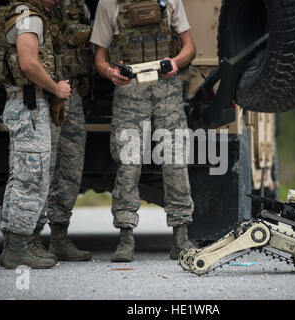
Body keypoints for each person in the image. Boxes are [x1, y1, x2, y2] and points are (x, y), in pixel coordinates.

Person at [91, 0, 196, 262]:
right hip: (130, 91)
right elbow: (99, 58)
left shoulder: (169, 1)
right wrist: (111, 72)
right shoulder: (109, 4)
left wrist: (176, 62)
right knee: (128, 162)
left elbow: (189, 48)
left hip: (166, 89)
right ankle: (126, 237)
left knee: (176, 160)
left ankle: (181, 236)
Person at [0, 0, 71, 269]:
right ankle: (17, 247)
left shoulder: (13, 12)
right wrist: (55, 87)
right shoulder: (30, 17)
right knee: (30, 177)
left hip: (22, 102)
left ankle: (17, 242)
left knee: (22, 175)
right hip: (29, 104)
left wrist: (7, 67)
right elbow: (28, 64)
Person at [31, 0, 93, 262]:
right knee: (43, 165)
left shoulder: (79, 6)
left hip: (72, 93)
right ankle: (31, 239)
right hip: (45, 92)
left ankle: (58, 238)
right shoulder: (30, 8)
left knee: (70, 164)